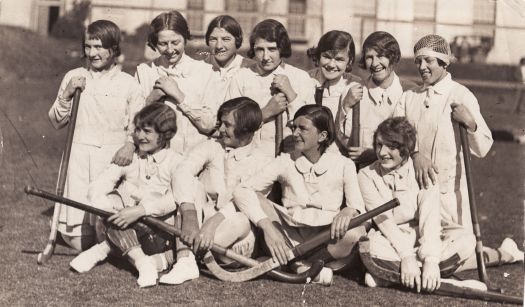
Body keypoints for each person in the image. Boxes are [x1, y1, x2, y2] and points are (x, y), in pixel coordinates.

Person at [359, 117, 523, 291]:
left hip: (424, 235)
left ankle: (391, 275)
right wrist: (406, 256)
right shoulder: (366, 175)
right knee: (371, 247)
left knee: (467, 239)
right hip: (391, 238)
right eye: (378, 145)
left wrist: (430, 260)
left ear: (406, 149)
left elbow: (429, 220)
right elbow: (385, 223)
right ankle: (442, 281)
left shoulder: (423, 172)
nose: (382, 152)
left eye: (391, 147)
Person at [233, 105, 366, 285]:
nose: (295, 133)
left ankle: (296, 264)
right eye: (294, 127)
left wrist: (348, 211)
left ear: (322, 136)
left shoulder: (344, 164)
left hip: (325, 236)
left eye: (302, 128)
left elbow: (357, 205)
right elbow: (242, 190)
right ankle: (299, 265)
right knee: (256, 197)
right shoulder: (285, 160)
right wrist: (267, 228)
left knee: (357, 231)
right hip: (289, 233)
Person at [48, 20, 145, 251]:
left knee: (109, 233)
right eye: (89, 46)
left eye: (100, 47)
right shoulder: (74, 76)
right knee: (80, 242)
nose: (93, 53)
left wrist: (129, 145)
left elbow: (138, 125)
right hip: (78, 158)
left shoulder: (129, 84)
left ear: (113, 49)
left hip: (111, 162)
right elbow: (56, 121)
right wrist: (67, 95)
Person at [159, 97, 272, 285]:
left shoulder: (263, 159)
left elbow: (247, 203)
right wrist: (189, 215)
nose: (220, 130)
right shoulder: (213, 146)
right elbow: (182, 171)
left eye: (227, 125)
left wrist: (211, 224)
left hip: (237, 241)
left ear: (245, 128)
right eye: (221, 123)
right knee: (193, 185)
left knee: (241, 219)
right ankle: (186, 263)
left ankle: (171, 258)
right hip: (199, 231)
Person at [394, 34, 493, 228]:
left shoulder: (461, 95)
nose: (422, 67)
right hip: (414, 191)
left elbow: (483, 148)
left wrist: (470, 123)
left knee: (459, 252)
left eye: (428, 60)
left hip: (449, 195)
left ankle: (506, 251)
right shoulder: (409, 98)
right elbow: (395, 138)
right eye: (418, 61)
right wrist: (414, 154)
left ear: (444, 62)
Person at [227, 19, 315, 157]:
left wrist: (291, 95)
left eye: (272, 49)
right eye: (260, 50)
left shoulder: (300, 78)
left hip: (289, 159)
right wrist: (265, 113)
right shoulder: (241, 77)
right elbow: (231, 124)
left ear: (282, 48)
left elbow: (312, 125)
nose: (265, 57)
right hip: (249, 158)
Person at [135, 11, 218, 154]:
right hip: (153, 160)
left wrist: (179, 96)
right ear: (154, 43)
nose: (170, 49)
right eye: (162, 43)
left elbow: (210, 125)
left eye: (175, 42)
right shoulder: (145, 71)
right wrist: (151, 100)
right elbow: (132, 121)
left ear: (185, 38)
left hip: (192, 160)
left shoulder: (204, 72)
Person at [337, 31, 416, 167]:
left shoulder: (409, 92)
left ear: (393, 57)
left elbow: (412, 142)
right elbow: (343, 138)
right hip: (361, 172)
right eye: (369, 57)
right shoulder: (353, 91)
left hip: (398, 173)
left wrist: (375, 153)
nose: (375, 63)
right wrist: (346, 106)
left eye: (381, 56)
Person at [306, 30, 363, 155]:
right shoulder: (305, 80)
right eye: (326, 57)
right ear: (318, 55)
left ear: (350, 60)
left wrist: (345, 106)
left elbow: (350, 140)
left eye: (339, 59)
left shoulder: (354, 85)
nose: (331, 65)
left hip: (339, 157)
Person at [202, 15, 254, 110]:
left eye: (226, 39)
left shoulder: (251, 68)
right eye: (213, 39)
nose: (219, 46)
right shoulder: (199, 69)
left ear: (237, 40)